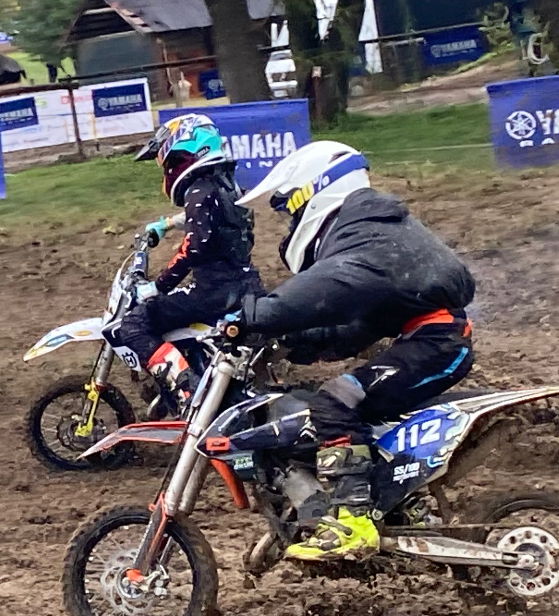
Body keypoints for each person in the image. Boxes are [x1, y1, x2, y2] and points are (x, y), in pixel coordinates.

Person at [235, 141, 476, 561]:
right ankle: (394, 504)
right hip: (431, 341)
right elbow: (355, 327)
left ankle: (353, 523)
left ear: (313, 192)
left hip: (436, 344)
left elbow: (314, 294)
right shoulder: (373, 233)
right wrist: (298, 343)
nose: (290, 224)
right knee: (342, 404)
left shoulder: (366, 239)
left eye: (290, 212)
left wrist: (250, 317)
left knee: (334, 401)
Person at [117, 113, 264, 409]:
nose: (167, 169)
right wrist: (168, 224)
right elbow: (213, 217)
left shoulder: (199, 190)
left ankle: (187, 392)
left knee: (133, 324)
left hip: (213, 291)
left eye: (168, 162)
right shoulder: (226, 184)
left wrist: (158, 286)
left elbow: (195, 247)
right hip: (244, 283)